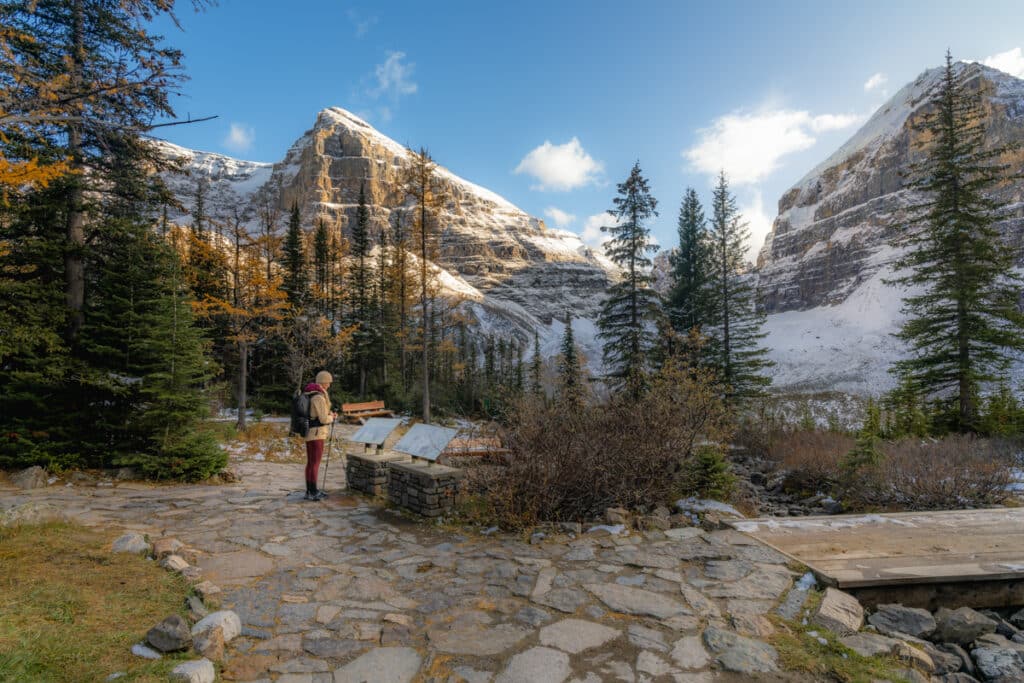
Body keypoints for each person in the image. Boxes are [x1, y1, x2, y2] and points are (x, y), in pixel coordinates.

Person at [303, 370, 337, 500]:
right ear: (324, 382)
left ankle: (310, 491)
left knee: (311, 463)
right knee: (314, 463)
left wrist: (328, 415)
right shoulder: (319, 397)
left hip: (312, 433)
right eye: (328, 382)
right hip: (316, 434)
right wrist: (332, 417)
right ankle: (313, 491)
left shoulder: (311, 394)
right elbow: (323, 419)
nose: (329, 385)